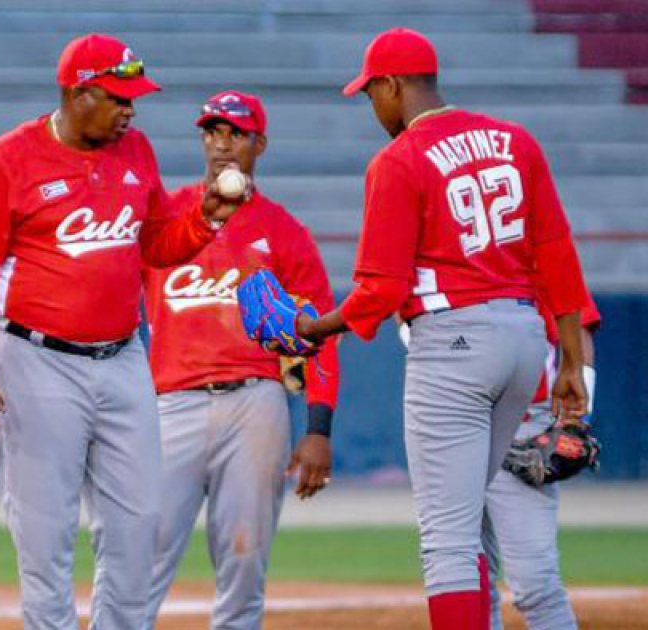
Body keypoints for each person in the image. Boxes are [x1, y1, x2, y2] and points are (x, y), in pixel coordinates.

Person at [294, 28, 592, 630]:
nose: (373, 108)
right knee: (473, 524)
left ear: (392, 85)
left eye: (371, 93)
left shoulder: (398, 159)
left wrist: (317, 328)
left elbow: (382, 287)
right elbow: (556, 250)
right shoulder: (515, 141)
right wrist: (566, 361)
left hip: (454, 344)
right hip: (523, 340)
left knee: (448, 541)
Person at [0, 33, 245, 629]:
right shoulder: (8, 159)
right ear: (78, 92)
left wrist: (205, 219)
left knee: (140, 525)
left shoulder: (135, 150)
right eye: (117, 97)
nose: (130, 109)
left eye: (133, 97)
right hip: (35, 359)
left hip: (123, 355)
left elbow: (157, 244)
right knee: (44, 532)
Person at [141, 90, 341, 629]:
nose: (222, 143)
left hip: (256, 402)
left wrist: (318, 426)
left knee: (245, 555)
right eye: (212, 132)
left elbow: (322, 337)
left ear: (261, 144)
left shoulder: (284, 231)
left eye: (236, 133)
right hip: (169, 404)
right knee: (140, 549)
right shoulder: (166, 214)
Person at [482, 296, 600, 630]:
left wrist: (576, 419)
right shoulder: (438, 251)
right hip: (453, 418)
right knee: (466, 581)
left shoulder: (535, 246)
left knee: (536, 585)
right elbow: (405, 307)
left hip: (525, 422)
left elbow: (578, 320)